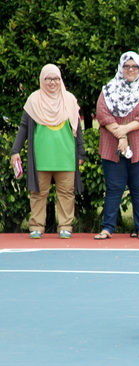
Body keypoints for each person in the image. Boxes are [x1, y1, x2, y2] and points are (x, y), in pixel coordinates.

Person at [10, 64, 85, 239]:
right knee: (38, 193)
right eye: (48, 78)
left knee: (66, 193)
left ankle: (65, 226)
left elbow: (77, 127)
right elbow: (24, 127)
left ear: (60, 80)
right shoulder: (34, 100)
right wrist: (15, 151)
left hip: (66, 156)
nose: (52, 82)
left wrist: (81, 153)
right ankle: (36, 226)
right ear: (42, 79)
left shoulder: (69, 99)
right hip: (41, 156)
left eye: (56, 78)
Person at [94, 51, 139, 240]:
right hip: (112, 147)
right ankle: (107, 228)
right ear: (120, 68)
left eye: (134, 66)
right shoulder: (108, 89)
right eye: (127, 66)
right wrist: (121, 135)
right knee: (114, 188)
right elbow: (102, 114)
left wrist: (125, 129)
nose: (130, 70)